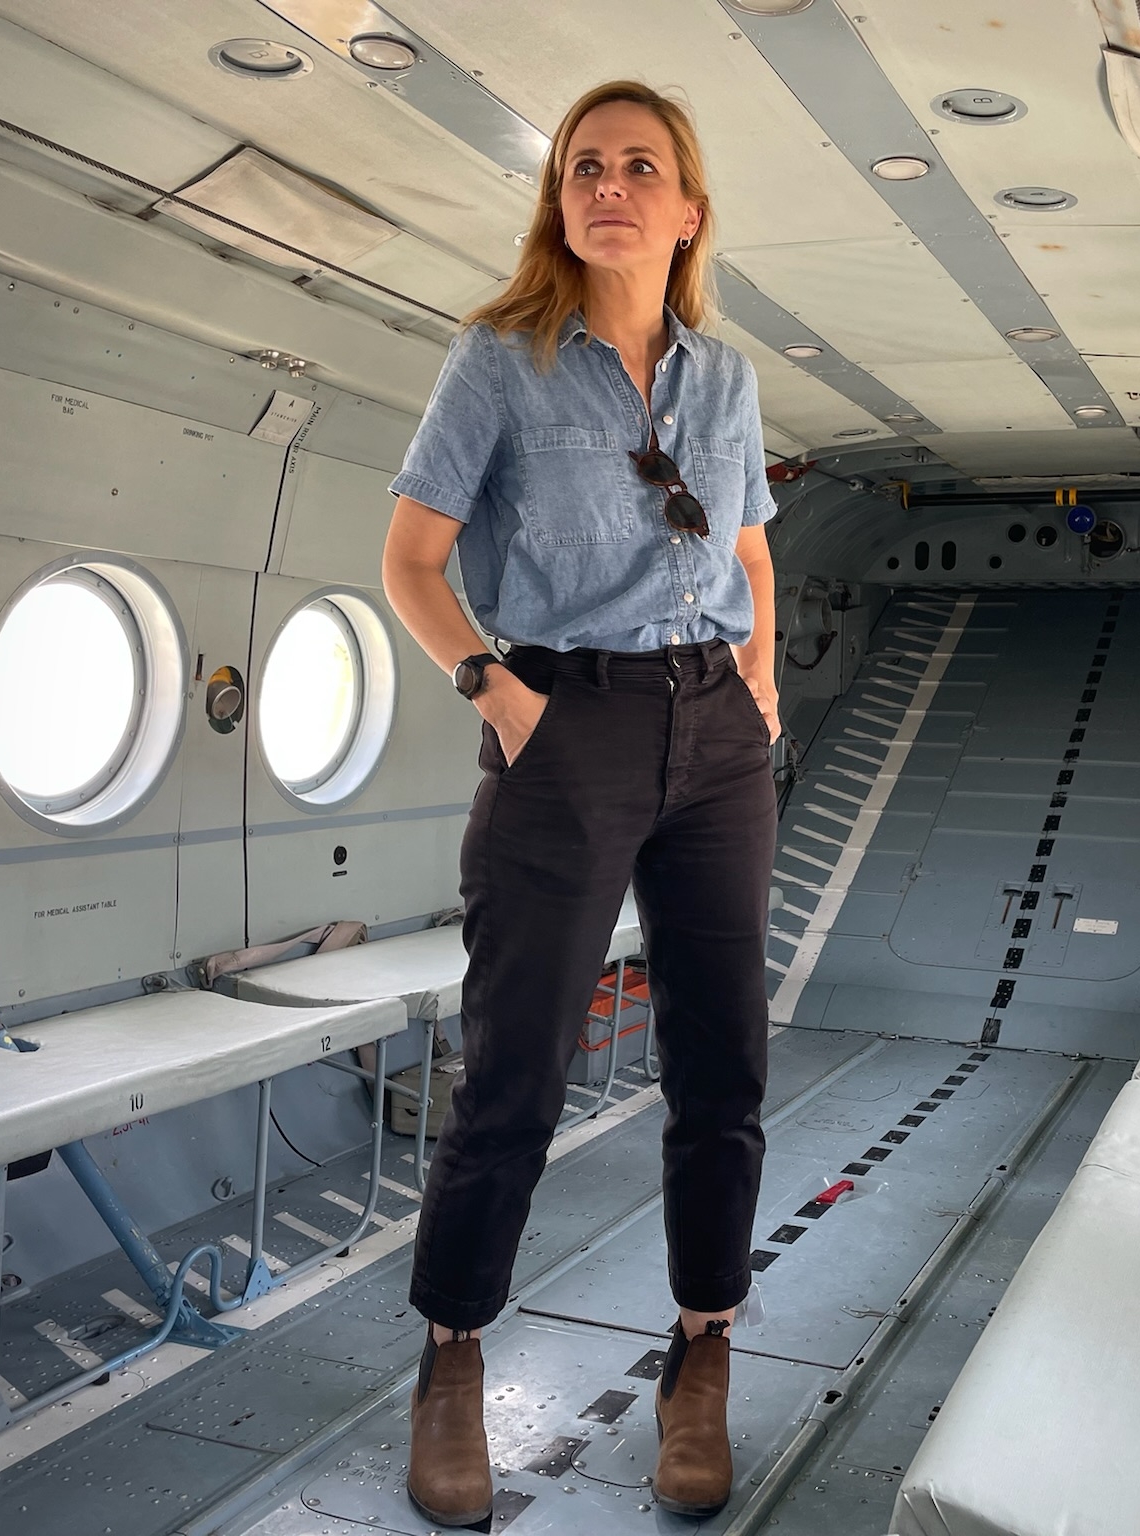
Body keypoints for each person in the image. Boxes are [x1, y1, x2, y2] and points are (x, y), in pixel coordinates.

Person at [380, 78, 779, 1529]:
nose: (610, 186)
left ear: (687, 211)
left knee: (723, 1063)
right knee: (518, 1070)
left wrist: (763, 685)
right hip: (567, 723)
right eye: (585, 166)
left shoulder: (726, 381)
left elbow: (748, 546)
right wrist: (504, 698)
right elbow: (410, 562)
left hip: (715, 733)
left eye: (640, 167)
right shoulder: (498, 361)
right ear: (561, 202)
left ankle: (702, 1354)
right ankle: (451, 1360)